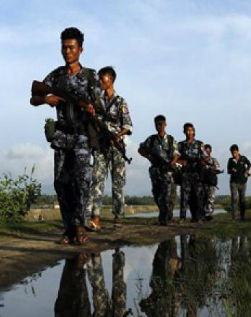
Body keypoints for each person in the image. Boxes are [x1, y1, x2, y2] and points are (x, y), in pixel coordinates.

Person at [30, 27, 98, 245]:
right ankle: (68, 228)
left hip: (81, 137)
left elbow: (100, 104)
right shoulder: (56, 75)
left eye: (71, 47)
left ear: (81, 49)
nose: (67, 51)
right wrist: (46, 100)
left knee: (81, 181)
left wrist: (91, 108)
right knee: (61, 183)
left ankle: (79, 226)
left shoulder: (90, 76)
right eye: (64, 47)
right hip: (61, 136)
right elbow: (33, 97)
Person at [86, 66, 133, 231]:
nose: (100, 81)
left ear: (110, 80)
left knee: (117, 183)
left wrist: (117, 136)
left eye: (102, 79)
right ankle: (95, 218)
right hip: (100, 145)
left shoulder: (120, 102)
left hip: (116, 147)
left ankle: (117, 215)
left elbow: (128, 125)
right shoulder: (96, 101)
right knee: (97, 180)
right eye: (99, 79)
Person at [138, 115, 179, 226]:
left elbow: (176, 154)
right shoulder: (151, 139)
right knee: (157, 194)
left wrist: (173, 162)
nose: (160, 126)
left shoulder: (170, 139)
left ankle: (164, 218)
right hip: (155, 170)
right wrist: (149, 157)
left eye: (161, 124)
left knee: (166, 194)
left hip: (167, 170)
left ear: (165, 124)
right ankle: (164, 215)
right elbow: (140, 149)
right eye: (157, 124)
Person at [176, 123, 205, 224]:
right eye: (187, 130)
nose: (189, 132)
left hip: (197, 173)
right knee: (184, 196)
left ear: (194, 131)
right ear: (184, 132)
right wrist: (180, 162)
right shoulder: (180, 145)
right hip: (185, 173)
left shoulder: (200, 144)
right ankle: (182, 218)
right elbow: (174, 158)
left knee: (198, 196)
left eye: (191, 130)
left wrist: (202, 162)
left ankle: (199, 217)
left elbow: (205, 157)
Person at [227, 144, 251, 220]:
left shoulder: (243, 158)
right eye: (232, 153)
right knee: (234, 199)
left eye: (234, 152)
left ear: (238, 151)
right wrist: (232, 170)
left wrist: (246, 171)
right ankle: (234, 216)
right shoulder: (230, 160)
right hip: (233, 182)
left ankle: (242, 216)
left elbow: (249, 164)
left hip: (243, 182)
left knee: (242, 199)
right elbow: (228, 171)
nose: (233, 154)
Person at [201, 144, 222, 221]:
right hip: (202, 182)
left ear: (210, 151)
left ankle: (208, 214)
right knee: (202, 198)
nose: (207, 152)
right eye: (205, 151)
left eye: (208, 151)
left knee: (210, 199)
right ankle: (202, 214)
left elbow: (217, 168)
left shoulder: (214, 160)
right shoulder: (200, 161)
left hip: (211, 182)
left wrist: (210, 168)